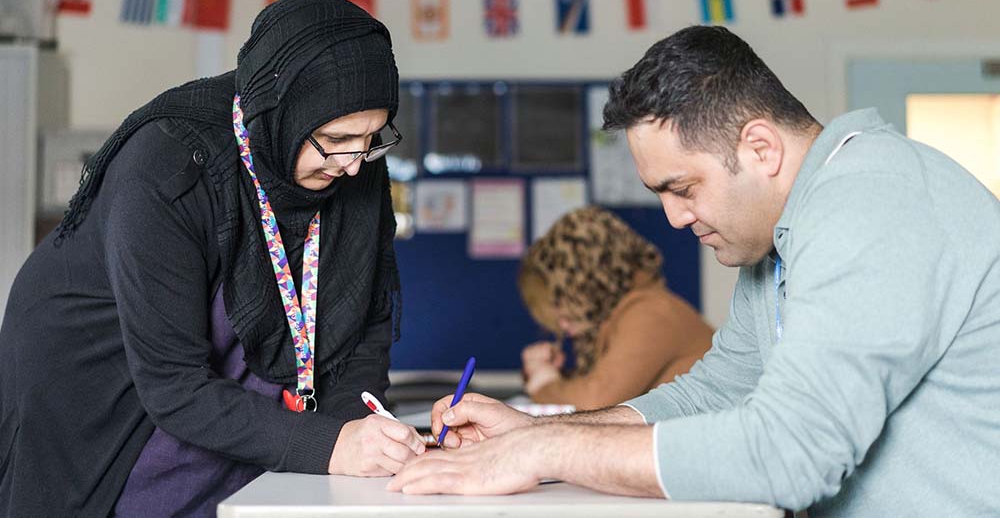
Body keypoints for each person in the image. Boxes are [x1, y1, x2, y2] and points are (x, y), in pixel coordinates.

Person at [387, 25, 1000, 516]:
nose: (674, 219)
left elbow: (793, 453)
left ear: (760, 148)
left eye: (683, 188)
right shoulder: (784, 241)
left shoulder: (872, 204)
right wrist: (529, 435)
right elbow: (714, 394)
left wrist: (550, 447)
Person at [0, 0, 426, 518]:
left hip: (217, 396)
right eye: (336, 140)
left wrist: (352, 435)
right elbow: (173, 386)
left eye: (371, 140)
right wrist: (327, 446)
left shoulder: (349, 158)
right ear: (280, 113)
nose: (355, 166)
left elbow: (363, 326)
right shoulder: (167, 166)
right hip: (106, 390)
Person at [518, 206, 712, 409]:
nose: (561, 323)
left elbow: (595, 402)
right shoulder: (622, 314)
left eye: (562, 300)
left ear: (590, 281)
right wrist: (552, 374)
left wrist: (545, 384)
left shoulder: (650, 313)